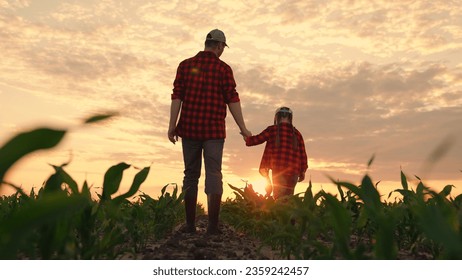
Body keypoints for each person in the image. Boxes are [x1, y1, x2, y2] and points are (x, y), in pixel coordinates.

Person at [168, 29, 252, 235]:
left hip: (189, 129)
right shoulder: (224, 69)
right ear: (219, 46)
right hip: (214, 131)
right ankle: (213, 227)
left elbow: (176, 97)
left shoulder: (185, 65)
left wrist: (172, 125)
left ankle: (189, 225)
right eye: (223, 47)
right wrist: (243, 128)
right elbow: (232, 99)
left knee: (190, 175)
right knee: (214, 174)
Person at [243, 107, 308, 200]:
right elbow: (303, 155)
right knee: (289, 200)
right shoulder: (297, 134)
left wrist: (247, 138)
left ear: (277, 117)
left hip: (278, 170)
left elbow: (256, 140)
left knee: (278, 200)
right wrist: (302, 172)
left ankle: (278, 214)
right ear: (290, 118)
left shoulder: (272, 130)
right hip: (294, 172)